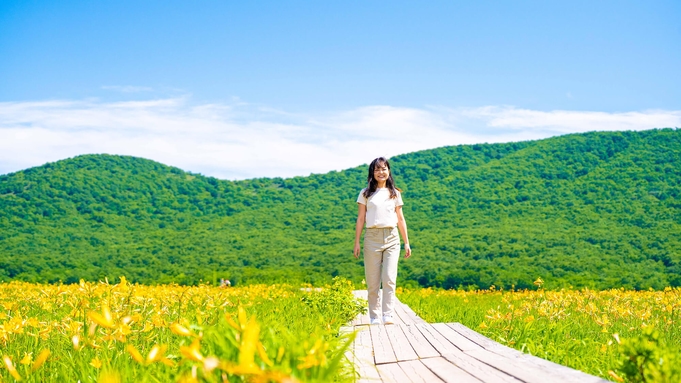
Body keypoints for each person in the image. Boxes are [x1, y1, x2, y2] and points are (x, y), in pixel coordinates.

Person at [353, 157, 411, 325]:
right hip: (372, 237)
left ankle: (388, 314)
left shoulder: (395, 193)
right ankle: (374, 316)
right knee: (372, 280)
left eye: (384, 169)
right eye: (377, 169)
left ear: (389, 171)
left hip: (392, 237)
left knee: (389, 277)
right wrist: (356, 242)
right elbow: (361, 218)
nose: (381, 172)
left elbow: (400, 218)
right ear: (372, 172)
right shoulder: (365, 193)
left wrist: (406, 242)